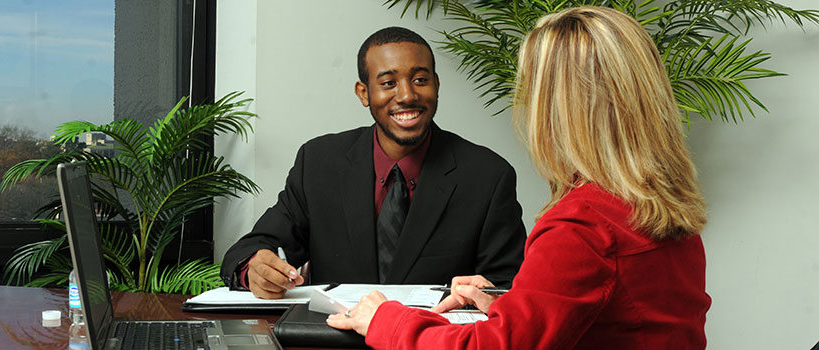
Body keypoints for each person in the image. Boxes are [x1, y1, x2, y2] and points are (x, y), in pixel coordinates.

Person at [327, 7, 712, 349]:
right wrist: (509, 302)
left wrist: (386, 320)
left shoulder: (582, 225)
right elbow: (612, 317)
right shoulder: (660, 207)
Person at [220, 27, 527, 299]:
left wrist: (485, 295)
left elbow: (508, 287)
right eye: (389, 83)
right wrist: (256, 268)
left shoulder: (487, 176)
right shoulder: (318, 163)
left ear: (436, 84)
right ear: (364, 93)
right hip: (331, 340)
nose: (407, 95)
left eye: (420, 80)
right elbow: (252, 248)